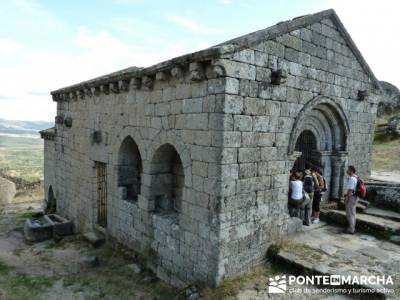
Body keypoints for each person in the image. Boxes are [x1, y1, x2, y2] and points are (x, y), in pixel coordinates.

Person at [344, 165, 358, 234]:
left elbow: (350, 190)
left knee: (350, 214)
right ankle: (352, 228)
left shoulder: (352, 179)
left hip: (351, 198)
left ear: (351, 171)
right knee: (352, 213)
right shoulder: (356, 177)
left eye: (348, 169)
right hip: (355, 197)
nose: (347, 171)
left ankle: (351, 229)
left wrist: (346, 198)